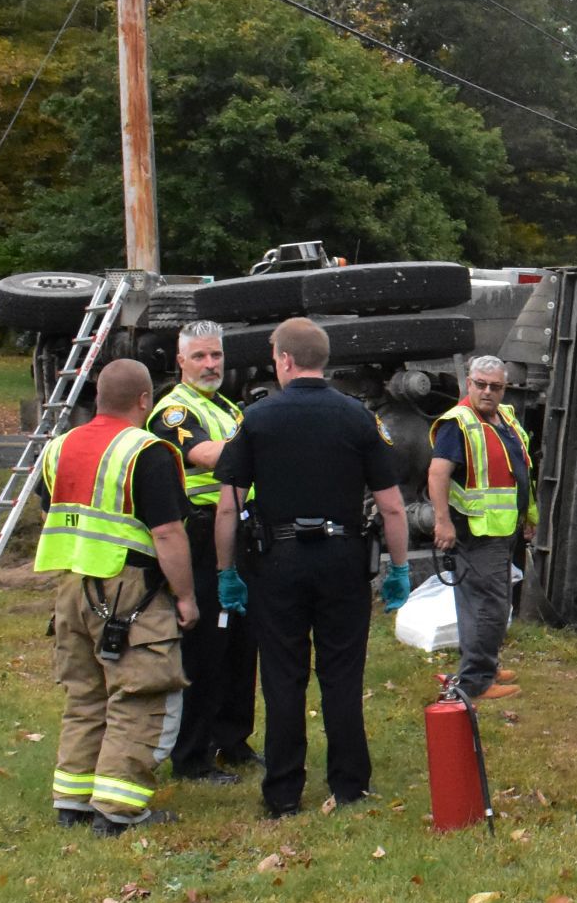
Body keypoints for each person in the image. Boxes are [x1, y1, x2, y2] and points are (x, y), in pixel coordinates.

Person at [212, 318, 412, 819]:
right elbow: (391, 506)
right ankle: (349, 785)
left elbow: (227, 505)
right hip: (342, 560)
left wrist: (225, 572)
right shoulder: (358, 418)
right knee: (342, 674)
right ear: (323, 360)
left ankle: (282, 794)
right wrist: (399, 568)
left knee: (283, 677)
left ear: (283, 359)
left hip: (277, 560)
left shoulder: (256, 418)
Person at [35, 359, 198, 837]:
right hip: (131, 590)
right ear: (145, 400)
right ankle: (119, 809)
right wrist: (185, 597)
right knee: (143, 691)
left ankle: (73, 800)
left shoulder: (58, 447)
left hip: (71, 585)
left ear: (100, 397)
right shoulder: (147, 451)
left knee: (85, 693)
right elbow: (167, 533)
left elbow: (54, 511)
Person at [148, 319, 259, 783]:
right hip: (201, 537)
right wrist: (261, 444)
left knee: (240, 643)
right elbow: (206, 456)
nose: (210, 364)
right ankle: (191, 755)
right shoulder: (173, 410)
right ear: (180, 362)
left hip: (240, 531)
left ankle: (233, 741)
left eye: (216, 355)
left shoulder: (229, 407)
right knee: (205, 648)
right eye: (199, 356)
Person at [428, 355, 534, 701]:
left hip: (504, 527)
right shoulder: (457, 423)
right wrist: (442, 522)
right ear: (469, 384)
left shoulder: (505, 418)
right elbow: (438, 474)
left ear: (505, 388)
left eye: (496, 386)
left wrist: (529, 516)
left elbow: (519, 472)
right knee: (489, 604)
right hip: (477, 530)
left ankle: (482, 664)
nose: (488, 392)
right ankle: (477, 680)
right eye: (481, 385)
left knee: (482, 602)